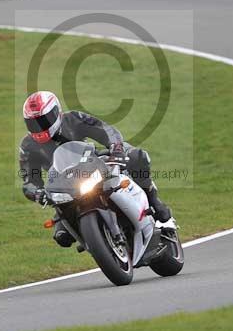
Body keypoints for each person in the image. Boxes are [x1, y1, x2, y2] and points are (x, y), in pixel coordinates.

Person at [18, 91, 173, 248]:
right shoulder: (28, 146)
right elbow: (28, 180)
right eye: (33, 123)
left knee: (136, 156)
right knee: (62, 237)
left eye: (43, 120)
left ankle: (153, 200)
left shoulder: (74, 119)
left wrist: (116, 150)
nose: (39, 127)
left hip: (92, 165)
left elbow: (106, 130)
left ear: (57, 112)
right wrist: (37, 194)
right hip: (64, 186)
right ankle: (96, 242)